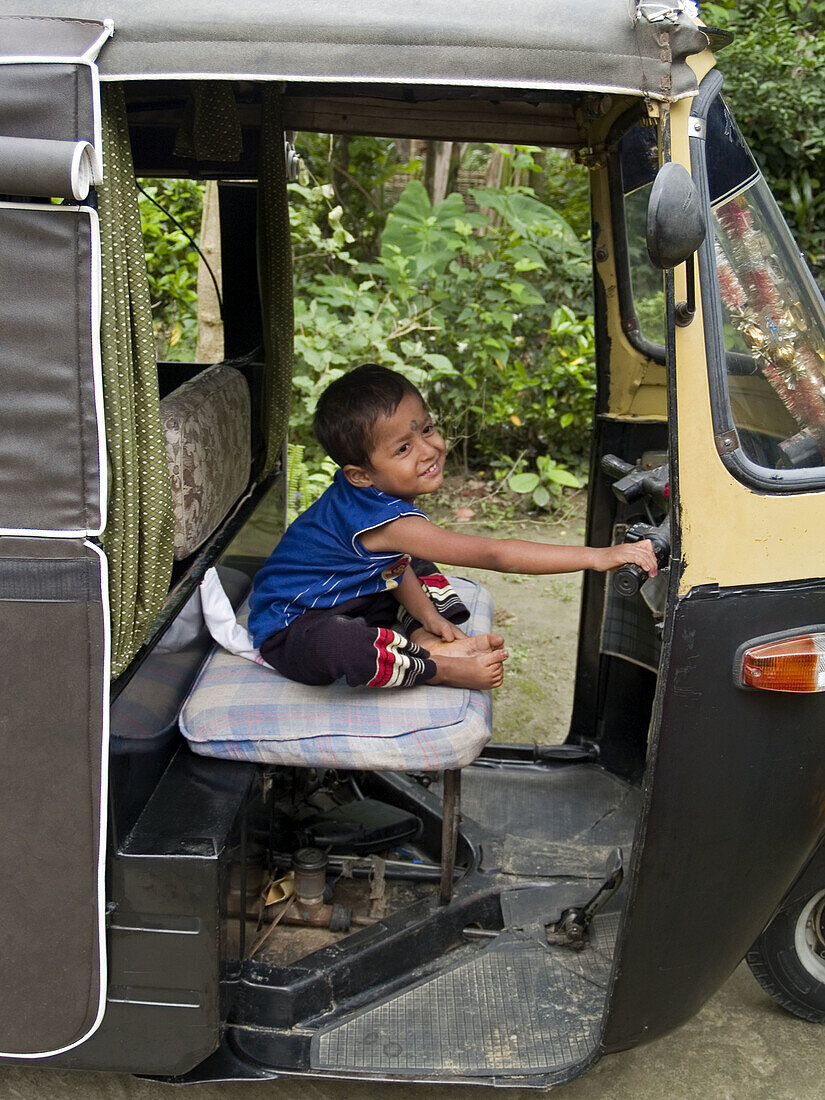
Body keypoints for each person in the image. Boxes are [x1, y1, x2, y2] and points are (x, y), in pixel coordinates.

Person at [248, 364, 657, 692]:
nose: (429, 449)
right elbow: (495, 554)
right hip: (295, 626)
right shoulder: (383, 519)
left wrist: (429, 617)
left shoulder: (371, 496)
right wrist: (599, 556)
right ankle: (435, 666)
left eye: (425, 429)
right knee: (338, 645)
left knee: (418, 562)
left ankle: (422, 635)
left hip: (350, 595)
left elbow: (396, 565)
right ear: (360, 475)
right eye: (404, 449)